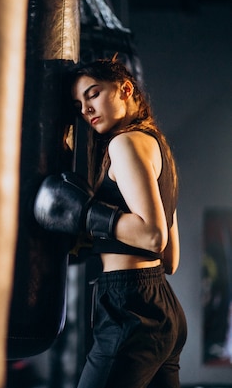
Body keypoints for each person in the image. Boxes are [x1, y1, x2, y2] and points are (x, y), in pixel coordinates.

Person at [33, 57, 187, 387]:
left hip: (130, 307)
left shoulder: (125, 143)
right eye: (79, 104)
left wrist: (86, 213)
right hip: (164, 310)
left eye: (93, 94)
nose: (87, 109)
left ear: (125, 88)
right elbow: (171, 260)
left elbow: (153, 236)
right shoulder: (160, 147)